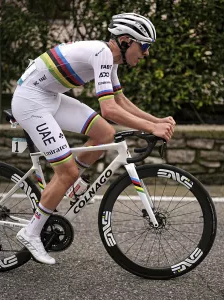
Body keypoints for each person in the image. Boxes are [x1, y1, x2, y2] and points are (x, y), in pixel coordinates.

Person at [13, 12, 176, 264]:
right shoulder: (102, 53)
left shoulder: (109, 59)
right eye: (143, 46)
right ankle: (31, 232)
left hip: (49, 97)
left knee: (104, 133)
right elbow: (109, 110)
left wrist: (156, 121)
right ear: (125, 40)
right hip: (31, 102)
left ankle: (72, 182)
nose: (145, 53)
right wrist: (151, 127)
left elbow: (120, 100)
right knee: (65, 172)